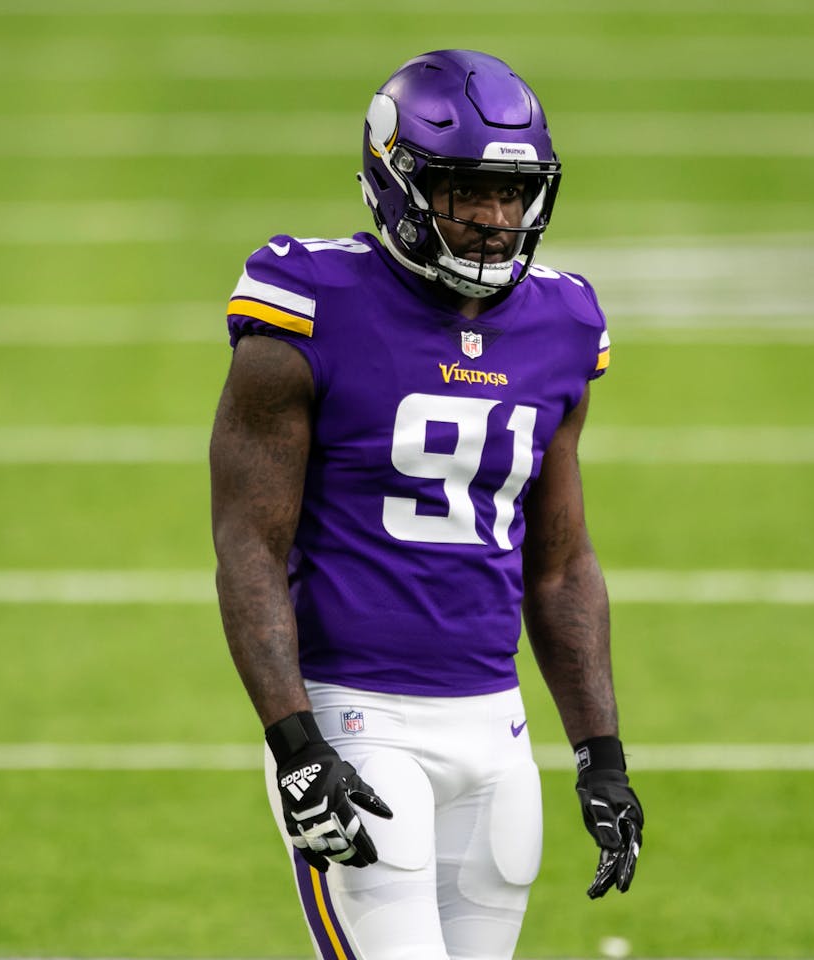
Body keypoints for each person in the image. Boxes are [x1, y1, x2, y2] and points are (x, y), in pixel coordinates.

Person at [208, 48, 643, 959]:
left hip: (495, 730)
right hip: (355, 722)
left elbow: (560, 563)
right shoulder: (308, 302)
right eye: (464, 191)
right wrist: (295, 744)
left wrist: (601, 754)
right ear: (397, 181)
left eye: (510, 195)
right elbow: (249, 544)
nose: (494, 220)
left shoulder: (563, 322)